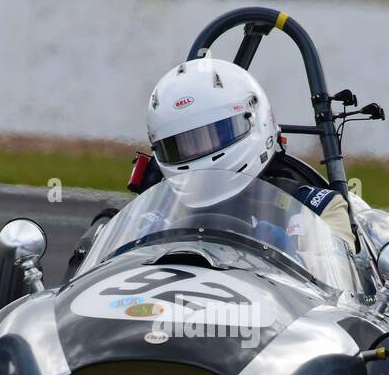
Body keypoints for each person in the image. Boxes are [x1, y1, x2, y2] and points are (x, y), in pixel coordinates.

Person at [143, 57, 355, 246]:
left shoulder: (316, 208)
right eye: (180, 145)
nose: (198, 153)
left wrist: (293, 253)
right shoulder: (159, 212)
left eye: (215, 134)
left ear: (255, 120)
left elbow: (341, 276)